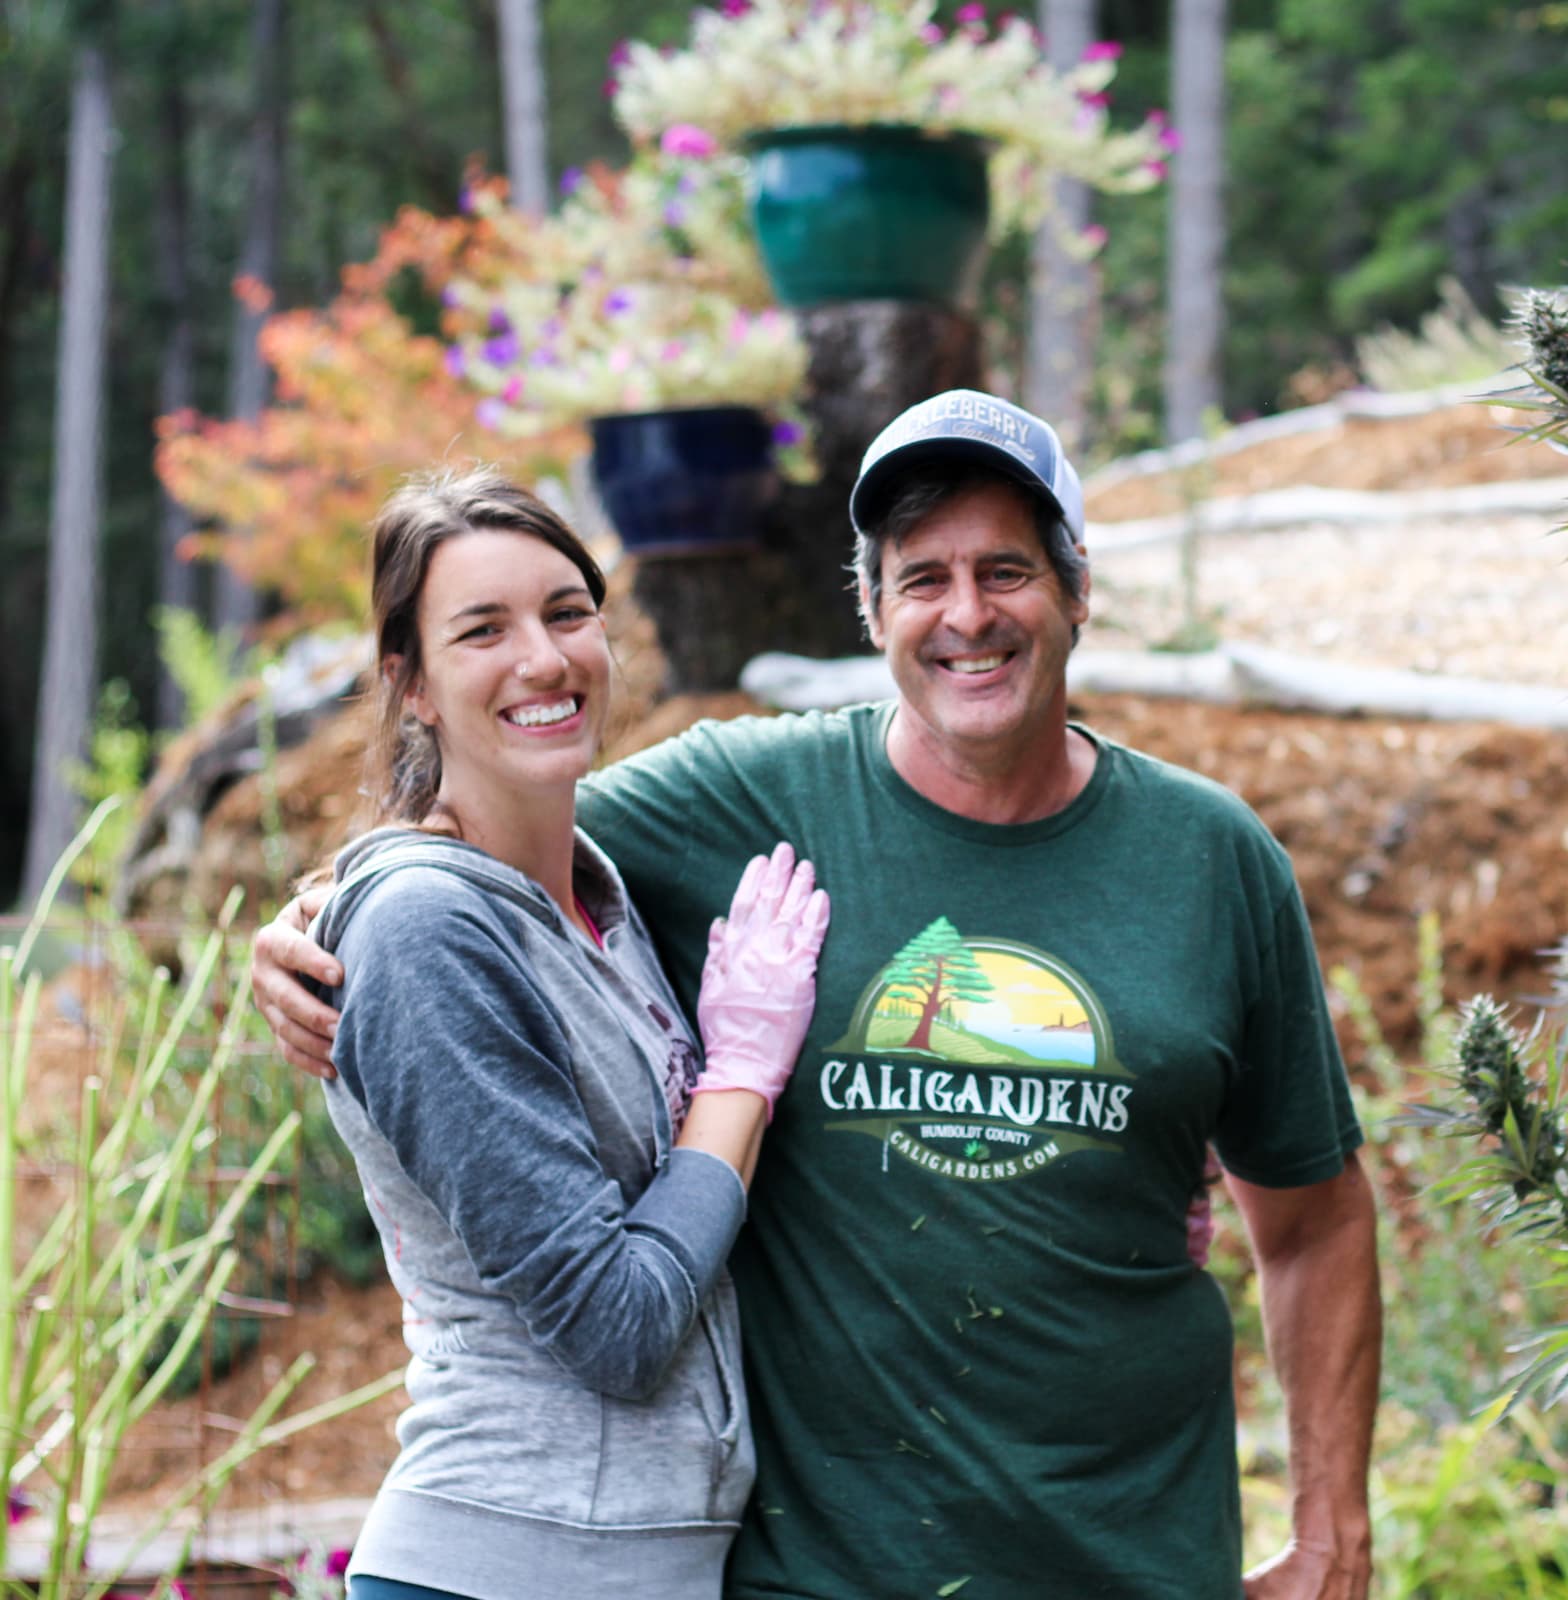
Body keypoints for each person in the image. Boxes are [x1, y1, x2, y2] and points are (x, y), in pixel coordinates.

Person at [257, 395, 1382, 1600]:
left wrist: (1331, 1531)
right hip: (819, 1573)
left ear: (1076, 589)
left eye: (1006, 569)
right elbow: (487, 833)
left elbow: (1314, 1223)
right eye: (922, 579)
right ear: (872, 608)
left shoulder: (1210, 860)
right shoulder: (736, 805)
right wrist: (322, 909)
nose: (967, 615)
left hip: (1137, 1559)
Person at [312, 470, 830, 1600]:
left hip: (634, 1561)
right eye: (482, 629)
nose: (543, 659)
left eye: (565, 611)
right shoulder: (425, 929)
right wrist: (739, 1074)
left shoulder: (594, 898)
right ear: (412, 685)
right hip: (512, 1557)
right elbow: (618, 1323)